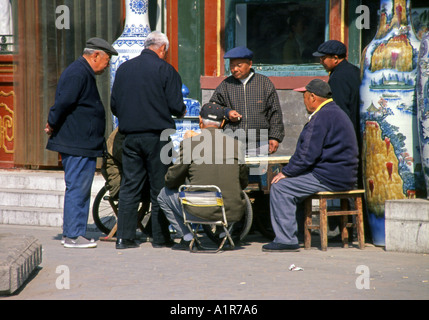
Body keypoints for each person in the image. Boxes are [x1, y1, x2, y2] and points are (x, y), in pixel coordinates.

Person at [262, 79, 358, 252]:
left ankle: (286, 239)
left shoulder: (322, 117)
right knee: (292, 184)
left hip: (330, 176)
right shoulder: (334, 112)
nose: (303, 101)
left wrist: (287, 172)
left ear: (313, 97)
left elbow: (307, 155)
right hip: (341, 174)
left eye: (304, 97)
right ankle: (296, 234)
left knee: (280, 186)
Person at [110, 31, 186, 250]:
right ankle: (160, 237)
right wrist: (180, 111)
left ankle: (124, 238)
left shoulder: (124, 69)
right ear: (162, 48)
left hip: (130, 137)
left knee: (130, 185)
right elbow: (175, 105)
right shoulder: (165, 69)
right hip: (158, 137)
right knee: (159, 187)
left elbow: (114, 105)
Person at [45, 38, 118, 249]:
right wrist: (51, 122)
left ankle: (76, 232)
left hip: (83, 143)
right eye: (107, 60)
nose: (107, 65)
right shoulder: (77, 72)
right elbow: (63, 102)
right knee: (77, 187)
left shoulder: (82, 72)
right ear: (95, 55)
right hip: (77, 142)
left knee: (80, 187)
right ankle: (73, 235)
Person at [157, 102, 249, 251]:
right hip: (231, 211)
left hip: (198, 211)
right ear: (223, 122)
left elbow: (171, 179)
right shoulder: (236, 145)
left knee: (163, 195)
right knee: (225, 189)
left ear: (200, 120)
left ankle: (187, 238)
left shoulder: (189, 144)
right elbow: (243, 181)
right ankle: (221, 236)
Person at [210, 46, 285, 155]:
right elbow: (212, 107)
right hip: (232, 141)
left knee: (258, 171)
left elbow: (275, 112)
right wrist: (227, 112)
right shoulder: (226, 85)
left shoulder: (264, 83)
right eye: (232, 65)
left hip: (259, 141)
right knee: (234, 172)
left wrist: (275, 137)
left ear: (250, 64)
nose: (234, 69)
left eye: (238, 65)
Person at [313, 40, 361, 134]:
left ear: (335, 58)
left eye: (323, 58)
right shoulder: (354, 70)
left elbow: (340, 110)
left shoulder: (338, 78)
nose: (321, 62)